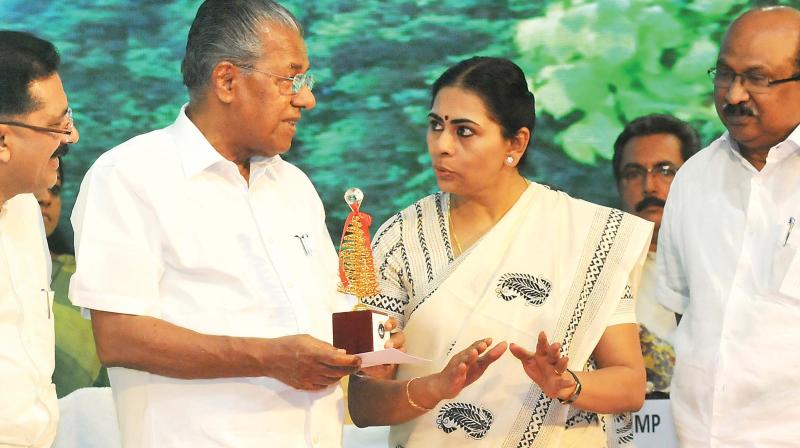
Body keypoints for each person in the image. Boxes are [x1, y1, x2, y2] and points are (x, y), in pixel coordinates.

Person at [69, 1, 363, 447]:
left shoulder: (294, 185)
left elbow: (323, 312)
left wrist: (366, 341)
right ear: (227, 80)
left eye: (306, 80)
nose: (306, 98)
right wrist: (268, 358)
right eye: (290, 79)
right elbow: (120, 338)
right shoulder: (130, 175)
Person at [348, 56, 653, 447]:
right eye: (435, 125)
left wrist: (565, 383)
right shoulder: (395, 239)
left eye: (464, 131)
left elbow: (630, 385)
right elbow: (361, 402)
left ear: (516, 143)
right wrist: (435, 387)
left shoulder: (588, 236)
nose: (442, 145)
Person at [657, 6, 800, 446]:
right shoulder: (693, 178)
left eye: (757, 78)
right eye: (724, 75)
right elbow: (685, 308)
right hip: (700, 434)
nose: (734, 95)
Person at [0, 30, 79, 447]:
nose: (72, 138)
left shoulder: (27, 210)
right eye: (56, 126)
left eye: (69, 119)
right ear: (2, 140)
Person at [611, 114, 700, 395]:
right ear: (619, 186)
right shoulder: (600, 271)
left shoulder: (724, 262)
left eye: (664, 170)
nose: (649, 186)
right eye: (634, 173)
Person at [34, 159, 109, 397]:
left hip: (74, 423)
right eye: (34, 188)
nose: (46, 198)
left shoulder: (81, 278)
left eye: (55, 190)